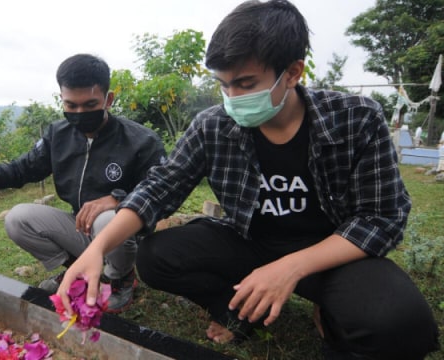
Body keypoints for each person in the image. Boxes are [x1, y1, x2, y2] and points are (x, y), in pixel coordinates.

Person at [56, 1, 440, 359]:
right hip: (250, 243)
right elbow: (160, 187)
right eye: (224, 85)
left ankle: (331, 314)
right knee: (157, 258)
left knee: (404, 327)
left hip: (331, 253)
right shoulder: (214, 126)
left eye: (246, 84)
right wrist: (97, 249)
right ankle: (235, 309)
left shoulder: (356, 119)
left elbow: (382, 217)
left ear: (292, 73)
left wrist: (291, 267)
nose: (232, 97)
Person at [0, 53, 166, 313]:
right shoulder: (58, 135)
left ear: (108, 100)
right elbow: (20, 170)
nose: (79, 113)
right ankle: (79, 271)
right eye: (71, 106)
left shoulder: (141, 140)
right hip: (80, 225)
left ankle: (121, 278)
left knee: (106, 219)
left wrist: (118, 199)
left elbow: (162, 192)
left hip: (123, 236)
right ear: (62, 99)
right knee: (18, 218)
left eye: (89, 105)